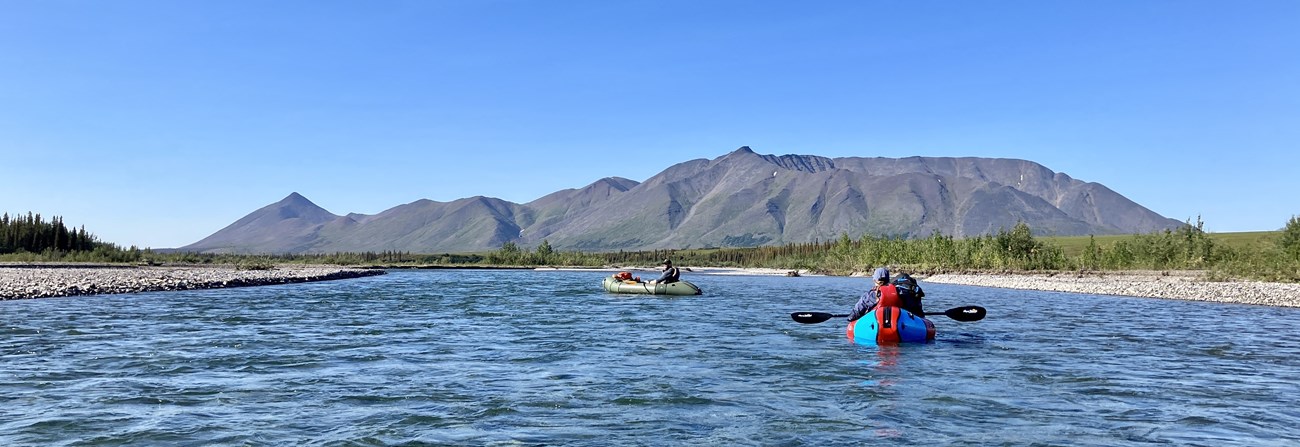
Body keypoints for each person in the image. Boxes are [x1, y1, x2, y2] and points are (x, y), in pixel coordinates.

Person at [847, 267, 925, 321]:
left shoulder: (871, 295)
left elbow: (856, 313)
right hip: (900, 322)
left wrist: (851, 318)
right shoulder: (901, 291)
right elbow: (917, 311)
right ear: (889, 279)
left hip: (877, 322)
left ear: (874, 280)